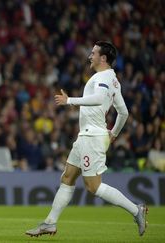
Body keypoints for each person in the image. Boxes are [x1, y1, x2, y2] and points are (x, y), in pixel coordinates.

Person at [25, 41, 148, 237]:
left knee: (93, 187)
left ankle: (136, 210)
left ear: (103, 58)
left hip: (92, 137)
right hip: (87, 136)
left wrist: (69, 101)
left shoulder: (103, 77)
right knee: (67, 177)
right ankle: (50, 223)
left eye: (93, 53)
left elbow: (99, 99)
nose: (90, 56)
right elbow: (123, 112)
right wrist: (113, 133)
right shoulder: (112, 80)